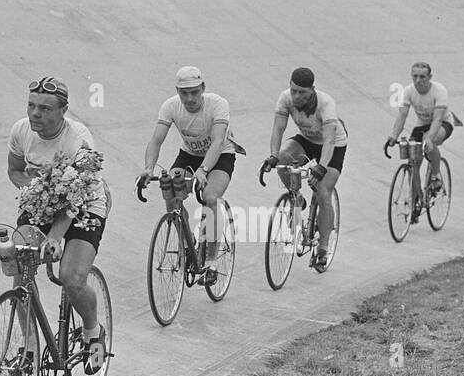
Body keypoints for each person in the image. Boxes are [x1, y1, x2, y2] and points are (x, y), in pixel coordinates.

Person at [7, 76, 109, 373]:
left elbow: (75, 197)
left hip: (85, 205)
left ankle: (93, 333)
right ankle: (28, 349)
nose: (35, 114)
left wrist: (54, 237)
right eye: (31, 105)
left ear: (63, 110)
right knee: (21, 267)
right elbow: (15, 170)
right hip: (43, 204)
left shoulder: (79, 139)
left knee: (71, 278)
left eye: (45, 108)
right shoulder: (21, 130)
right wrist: (34, 190)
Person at [137, 66, 244, 266]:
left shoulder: (217, 104)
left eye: (194, 92)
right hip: (189, 155)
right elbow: (156, 140)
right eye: (184, 93)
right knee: (170, 190)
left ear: (203, 88)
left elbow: (217, 141)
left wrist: (203, 170)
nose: (189, 99)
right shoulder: (170, 106)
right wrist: (149, 168)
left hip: (221, 155)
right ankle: (187, 243)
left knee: (210, 198)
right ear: (177, 91)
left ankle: (211, 259)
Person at [261, 67, 346, 271]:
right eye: (294, 90)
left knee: (323, 192)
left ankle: (323, 248)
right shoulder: (285, 98)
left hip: (333, 145)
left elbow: (329, 141)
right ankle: (296, 198)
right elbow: (278, 129)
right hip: (307, 140)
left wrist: (321, 168)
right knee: (283, 159)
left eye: (302, 92)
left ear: (313, 90)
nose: (297, 96)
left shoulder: (326, 104)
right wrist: (273, 156)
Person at [386, 61, 458, 220]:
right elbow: (402, 116)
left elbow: (437, 119)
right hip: (422, 124)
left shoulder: (439, 91)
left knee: (429, 142)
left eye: (422, 77)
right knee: (413, 162)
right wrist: (394, 136)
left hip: (443, 123)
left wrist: (429, 139)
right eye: (415, 76)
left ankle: (436, 176)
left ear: (430, 77)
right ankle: (416, 201)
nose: (418, 80)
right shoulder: (408, 91)